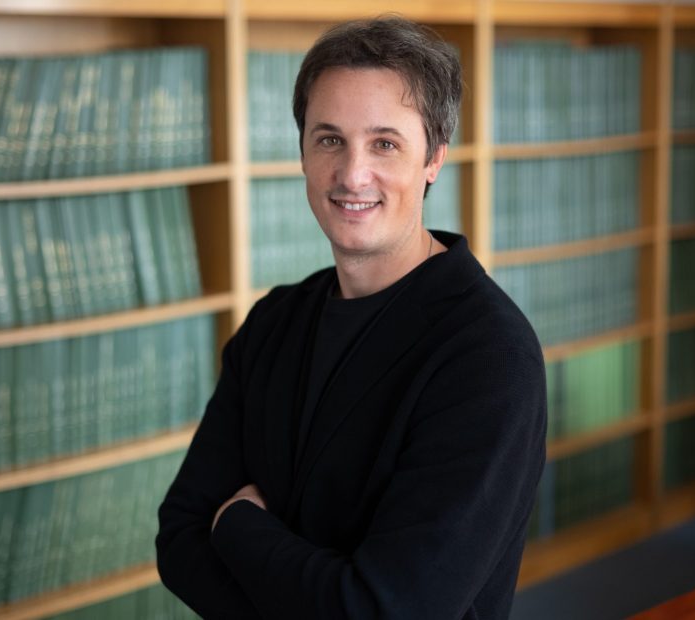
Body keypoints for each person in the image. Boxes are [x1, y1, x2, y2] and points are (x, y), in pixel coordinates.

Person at [156, 15, 546, 619]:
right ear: (304, 151)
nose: (351, 174)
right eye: (329, 138)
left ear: (434, 158)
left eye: (385, 143)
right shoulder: (274, 321)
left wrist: (236, 526)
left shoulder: (491, 358)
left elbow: (388, 610)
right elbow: (179, 538)